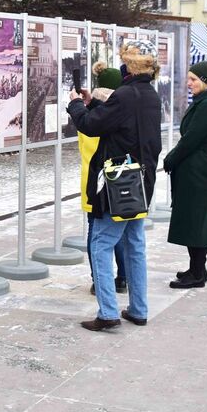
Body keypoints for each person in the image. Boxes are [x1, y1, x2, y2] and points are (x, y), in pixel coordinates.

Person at [67, 40, 162, 332]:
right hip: (141, 181)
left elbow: (91, 125)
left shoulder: (125, 95)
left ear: (129, 65)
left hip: (117, 182)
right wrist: (94, 103)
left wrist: (75, 104)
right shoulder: (149, 94)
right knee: (135, 244)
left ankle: (108, 312)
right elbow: (118, 122)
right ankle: (138, 308)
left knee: (101, 243)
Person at [163, 62, 207, 289]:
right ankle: (197, 268)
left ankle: (197, 273)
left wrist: (171, 158)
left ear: (206, 81)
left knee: (196, 220)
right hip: (195, 166)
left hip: (198, 169)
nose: (189, 83)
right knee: (193, 218)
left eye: (193, 79)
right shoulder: (204, 102)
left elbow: (191, 139)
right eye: (189, 78)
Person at [76, 61, 127, 295]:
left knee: (95, 231)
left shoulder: (89, 113)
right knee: (120, 232)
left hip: (92, 179)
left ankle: (98, 279)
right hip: (116, 178)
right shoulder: (118, 113)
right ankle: (123, 277)